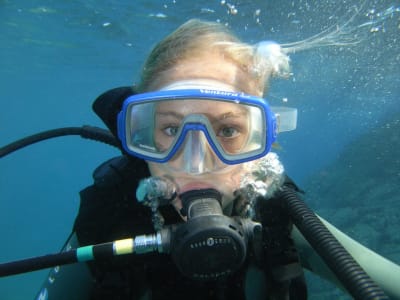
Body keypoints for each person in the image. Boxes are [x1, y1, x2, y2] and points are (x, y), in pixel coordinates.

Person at [34, 19, 400, 300]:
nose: (196, 163)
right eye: (172, 130)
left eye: (226, 131)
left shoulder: (276, 220)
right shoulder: (107, 219)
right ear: (139, 135)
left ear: (262, 139)